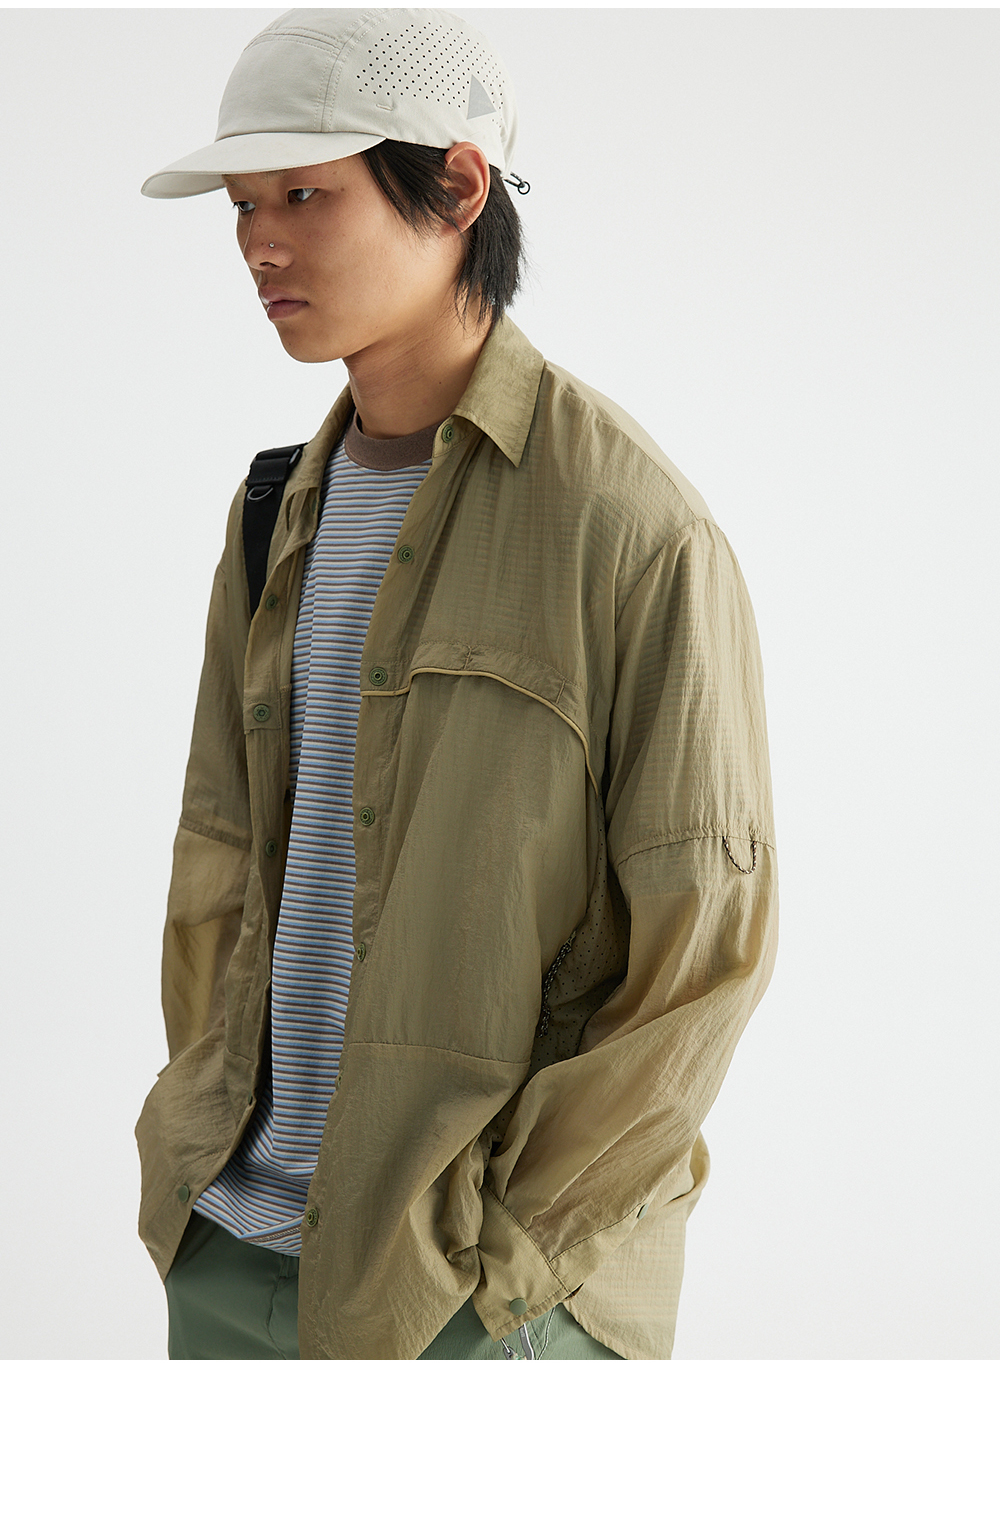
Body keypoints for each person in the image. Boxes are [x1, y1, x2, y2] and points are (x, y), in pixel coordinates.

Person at [136, 7, 778, 1361]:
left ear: (460, 186)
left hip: (481, 1300)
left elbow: (701, 959)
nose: (259, 242)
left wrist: (507, 1252)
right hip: (234, 1249)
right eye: (244, 204)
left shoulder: (630, 530)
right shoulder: (273, 514)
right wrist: (197, 1128)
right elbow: (221, 857)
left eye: (304, 193)